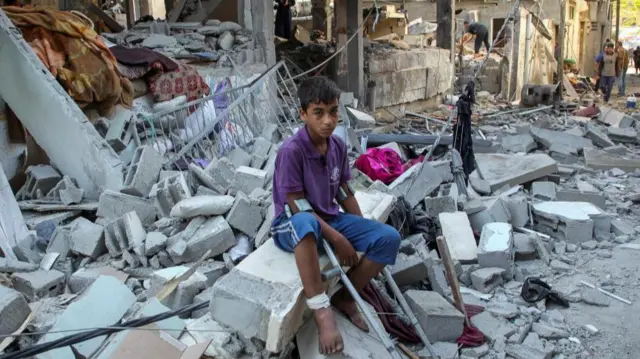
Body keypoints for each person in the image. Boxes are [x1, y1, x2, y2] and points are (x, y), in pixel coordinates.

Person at [270, 76, 401, 355]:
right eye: (318, 112)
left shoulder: (337, 146)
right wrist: (338, 238)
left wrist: (362, 229)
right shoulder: (291, 152)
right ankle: (321, 311)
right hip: (291, 224)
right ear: (303, 114)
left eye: (333, 111)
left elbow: (343, 191)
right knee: (305, 221)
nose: (328, 120)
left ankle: (344, 295)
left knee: (388, 237)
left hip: (329, 219)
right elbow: (296, 205)